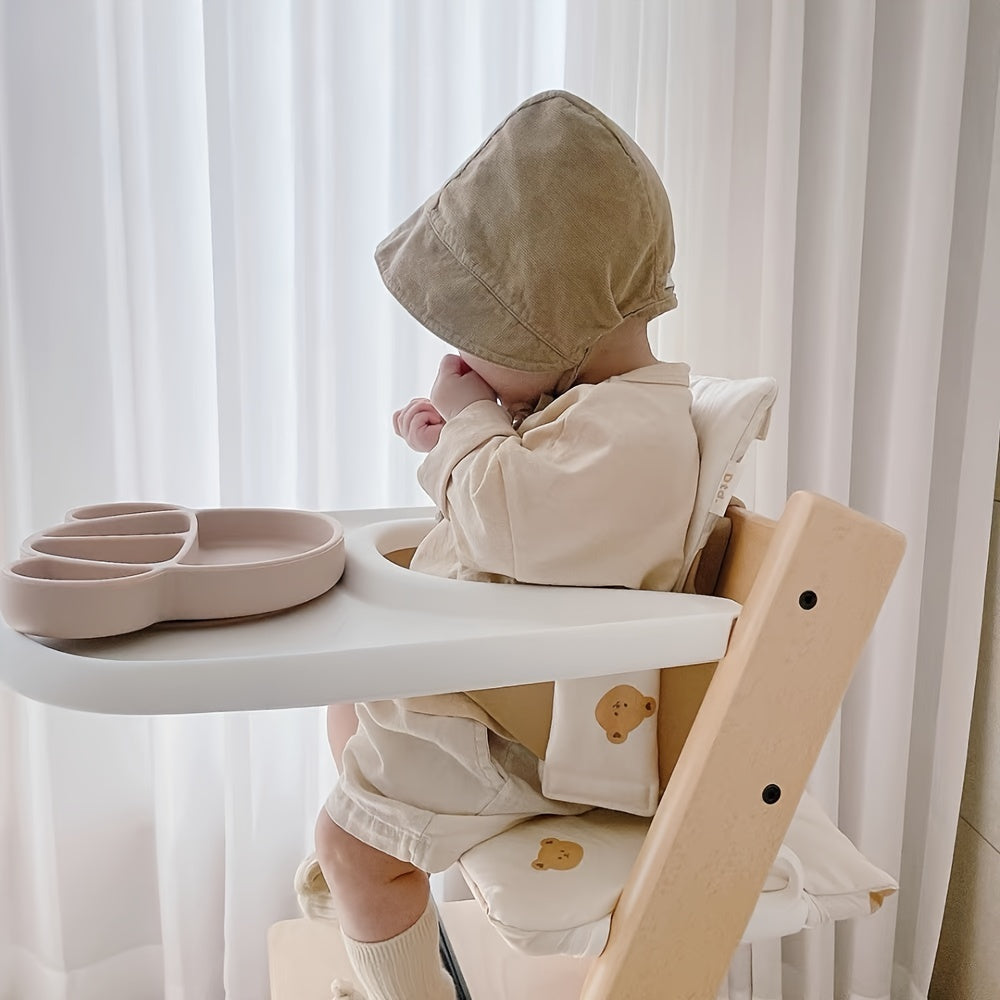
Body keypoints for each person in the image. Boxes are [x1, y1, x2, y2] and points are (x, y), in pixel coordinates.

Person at [313, 89, 699, 1000]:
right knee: (345, 710)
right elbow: (512, 516)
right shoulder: (591, 414)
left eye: (478, 335)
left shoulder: (633, 437)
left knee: (348, 845)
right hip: (507, 694)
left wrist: (468, 424)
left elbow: (500, 520)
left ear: (554, 321)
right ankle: (394, 911)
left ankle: (394, 944)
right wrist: (461, 434)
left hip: (535, 732)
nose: (459, 362)